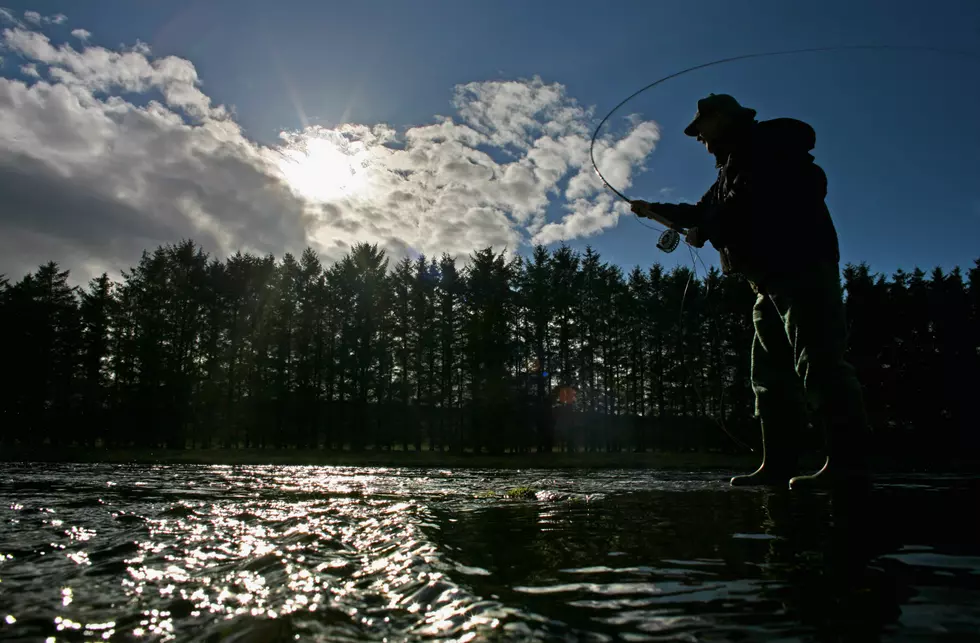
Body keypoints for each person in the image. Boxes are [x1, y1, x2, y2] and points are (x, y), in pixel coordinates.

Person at [631, 93, 870, 489]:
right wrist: (650, 207)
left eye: (700, 127)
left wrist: (708, 228)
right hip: (765, 284)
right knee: (769, 380)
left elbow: (756, 206)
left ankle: (849, 466)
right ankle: (776, 468)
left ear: (724, 118)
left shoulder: (771, 150)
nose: (697, 137)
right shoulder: (728, 172)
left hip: (802, 270)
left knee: (820, 365)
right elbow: (701, 211)